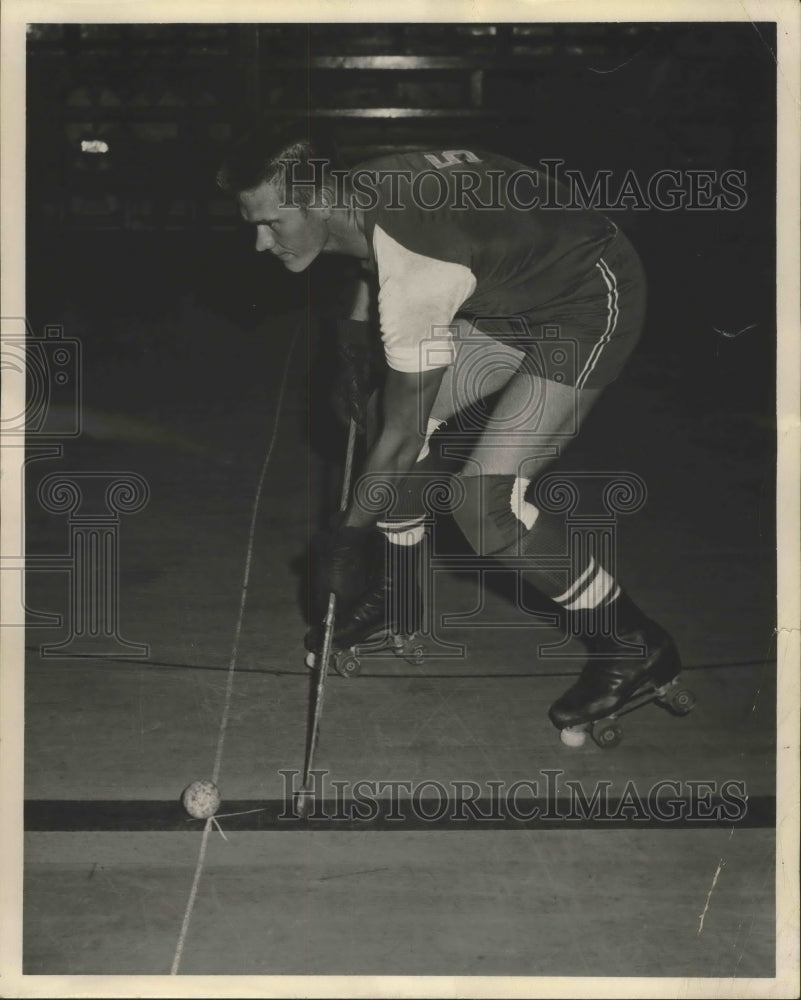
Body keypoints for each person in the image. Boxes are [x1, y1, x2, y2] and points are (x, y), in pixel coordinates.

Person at [217, 127, 682, 745]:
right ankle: (399, 601)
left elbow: (403, 436)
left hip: (586, 299)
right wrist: (355, 341)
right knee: (380, 414)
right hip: (508, 289)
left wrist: (348, 539)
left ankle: (634, 641)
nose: (259, 243)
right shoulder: (360, 187)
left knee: (482, 504)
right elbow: (372, 258)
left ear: (319, 201)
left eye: (272, 224)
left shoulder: (420, 272)